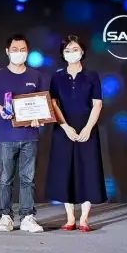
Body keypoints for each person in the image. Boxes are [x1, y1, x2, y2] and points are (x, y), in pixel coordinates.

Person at [0, 34, 47, 234]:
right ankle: (6, 216)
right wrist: (0, 108)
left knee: (28, 179)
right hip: (6, 136)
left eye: (22, 50)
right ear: (7, 51)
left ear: (27, 52)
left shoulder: (36, 76)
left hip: (30, 135)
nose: (18, 53)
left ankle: (28, 216)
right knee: (5, 178)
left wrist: (39, 118)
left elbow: (43, 103)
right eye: (15, 49)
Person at [46, 34, 107, 232]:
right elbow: (53, 104)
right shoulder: (57, 77)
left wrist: (88, 128)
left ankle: (84, 219)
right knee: (65, 170)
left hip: (87, 127)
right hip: (63, 128)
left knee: (88, 170)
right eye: (67, 50)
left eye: (75, 49)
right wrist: (65, 126)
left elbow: (97, 104)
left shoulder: (92, 76)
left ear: (82, 51)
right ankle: (70, 218)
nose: (71, 53)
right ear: (62, 54)